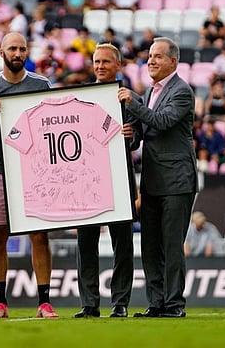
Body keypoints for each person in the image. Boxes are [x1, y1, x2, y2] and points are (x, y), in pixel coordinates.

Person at [0, 32, 59, 319]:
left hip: (35, 171)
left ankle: (44, 303)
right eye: (13, 48)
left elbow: (53, 124)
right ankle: (0, 303)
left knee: (39, 234)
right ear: (1, 52)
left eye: (22, 48)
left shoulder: (41, 84)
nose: (18, 53)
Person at [117, 37, 198, 318]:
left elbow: (162, 121)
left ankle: (174, 304)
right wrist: (131, 136)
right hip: (152, 180)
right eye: (150, 56)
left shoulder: (182, 91)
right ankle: (156, 303)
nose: (151, 60)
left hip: (177, 181)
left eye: (158, 56)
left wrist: (134, 104)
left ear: (173, 62)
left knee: (171, 245)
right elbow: (146, 132)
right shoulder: (151, 92)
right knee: (150, 246)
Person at [74, 43, 141, 319]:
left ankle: (120, 302)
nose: (100, 66)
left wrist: (131, 135)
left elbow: (141, 134)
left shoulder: (129, 98)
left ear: (118, 65)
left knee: (122, 244)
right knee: (85, 243)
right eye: (96, 62)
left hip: (119, 179)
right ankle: (89, 304)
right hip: (86, 180)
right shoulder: (80, 97)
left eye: (105, 62)